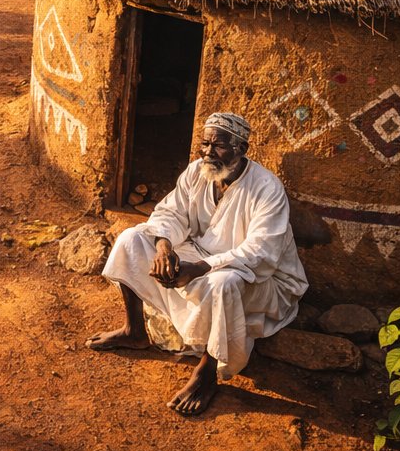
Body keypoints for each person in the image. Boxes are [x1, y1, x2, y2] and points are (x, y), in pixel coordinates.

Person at [87, 112, 308, 415]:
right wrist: (164, 247)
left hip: (261, 277)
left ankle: (207, 372)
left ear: (242, 148)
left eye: (219, 146)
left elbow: (260, 252)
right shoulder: (197, 172)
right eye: (205, 144)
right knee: (131, 238)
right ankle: (134, 331)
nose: (208, 152)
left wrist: (200, 268)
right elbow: (170, 213)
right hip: (201, 253)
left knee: (223, 283)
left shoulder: (267, 189)